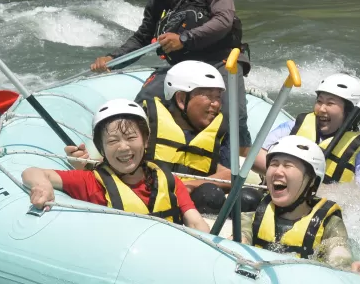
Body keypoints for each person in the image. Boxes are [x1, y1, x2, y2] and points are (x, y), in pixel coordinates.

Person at [90, 0, 252, 152]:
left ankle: (243, 161)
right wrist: (112, 58)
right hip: (182, 68)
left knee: (232, 116)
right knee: (146, 100)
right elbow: (143, 36)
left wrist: (183, 39)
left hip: (221, 60)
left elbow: (224, 20)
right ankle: (135, 159)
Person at [67, 61, 261, 215]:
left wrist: (186, 186)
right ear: (181, 99)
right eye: (208, 97)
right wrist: (85, 164)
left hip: (194, 205)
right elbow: (121, 158)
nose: (216, 104)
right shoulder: (146, 124)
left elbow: (230, 174)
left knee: (241, 197)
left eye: (218, 97)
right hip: (148, 198)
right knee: (208, 194)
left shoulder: (218, 131)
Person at [22, 99, 209, 232]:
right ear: (101, 148)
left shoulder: (169, 181)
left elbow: (195, 223)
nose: (123, 147)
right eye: (112, 141)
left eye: (131, 138)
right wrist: (43, 186)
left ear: (145, 141)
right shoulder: (91, 183)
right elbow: (32, 172)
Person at [241, 136, 360, 279]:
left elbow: (339, 253)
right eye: (274, 164)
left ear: (311, 180)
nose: (277, 172)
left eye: (287, 166)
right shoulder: (256, 209)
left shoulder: (329, 222)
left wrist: (352, 269)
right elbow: (243, 235)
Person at [253, 74, 360, 188]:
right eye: (319, 101)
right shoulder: (294, 127)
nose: (322, 109)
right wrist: (289, 178)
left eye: (330, 103)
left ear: (350, 113)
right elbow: (256, 156)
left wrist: (315, 188)